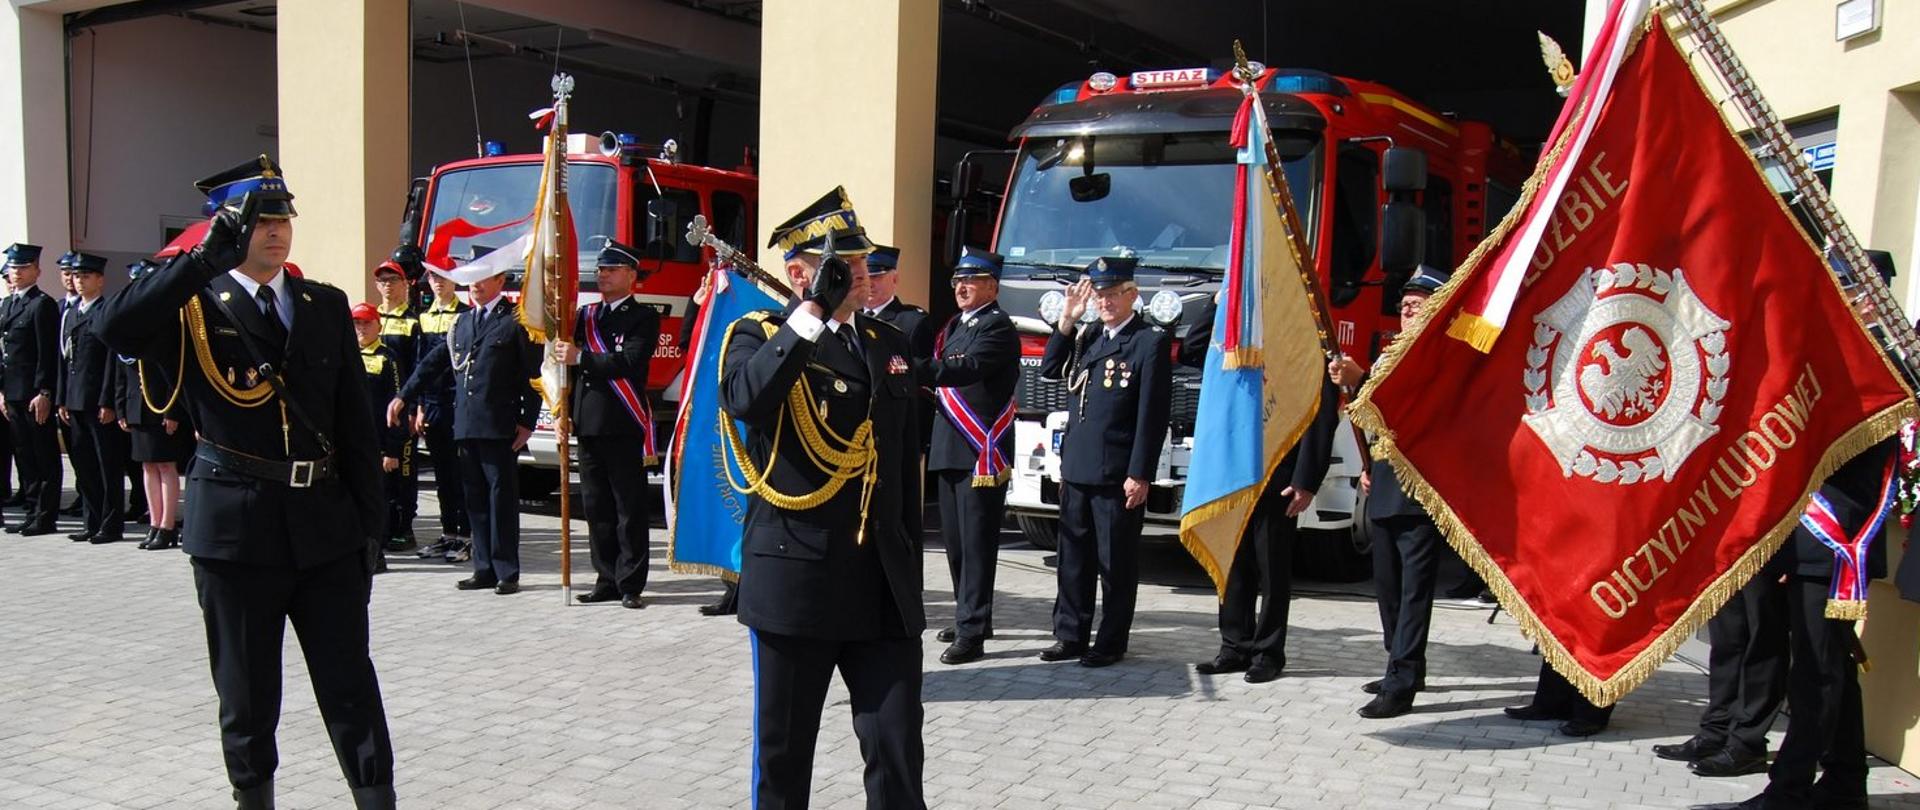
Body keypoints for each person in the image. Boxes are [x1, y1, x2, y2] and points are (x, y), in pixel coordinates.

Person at [96, 155, 394, 808]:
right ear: (223, 228)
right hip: (235, 533)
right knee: (248, 694)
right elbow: (111, 328)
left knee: (350, 686)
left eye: (282, 216)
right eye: (257, 220)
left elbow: (355, 429)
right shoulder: (193, 305)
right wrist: (199, 262)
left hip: (325, 528)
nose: (274, 230)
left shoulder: (324, 304)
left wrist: (371, 529)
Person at [718, 187, 926, 809]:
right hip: (797, 578)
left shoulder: (889, 343)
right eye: (844, 263)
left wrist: (910, 563)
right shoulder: (759, 334)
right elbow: (747, 400)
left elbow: (901, 465)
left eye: (863, 262)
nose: (860, 273)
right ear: (801, 271)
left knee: (897, 750)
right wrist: (808, 315)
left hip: (879, 583)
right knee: (784, 758)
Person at [1719, 439, 1897, 810]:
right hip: (1810, 542)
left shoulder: (1870, 390)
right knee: (1836, 673)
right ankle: (1845, 781)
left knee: (1816, 675)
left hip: (1835, 540)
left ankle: (1787, 791)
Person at [1184, 293, 1339, 685]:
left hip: (1279, 475)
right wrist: (1217, 305)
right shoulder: (1238, 340)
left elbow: (1321, 419)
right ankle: (1234, 645)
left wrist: (1306, 480)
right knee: (1234, 564)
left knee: (1272, 569)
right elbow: (1191, 351)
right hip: (1234, 472)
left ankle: (1268, 652)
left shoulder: (1304, 348)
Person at [1036, 257, 1172, 668]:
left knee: (1115, 563)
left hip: (1116, 471)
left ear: (1133, 295)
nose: (1106, 302)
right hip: (1078, 467)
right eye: (1101, 294)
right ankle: (1070, 634)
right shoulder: (1089, 335)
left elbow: (1152, 414)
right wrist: (1067, 321)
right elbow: (1049, 370)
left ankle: (1111, 641)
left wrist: (1140, 473)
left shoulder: (1149, 341)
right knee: (1072, 559)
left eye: (1114, 293)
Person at [1329, 266, 1448, 716]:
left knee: (1415, 591)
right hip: (1383, 485)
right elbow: (1372, 420)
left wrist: (1361, 380)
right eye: (1404, 306)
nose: (1408, 311)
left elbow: (1405, 411)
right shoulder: (1391, 354)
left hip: (1418, 492)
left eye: (1418, 305)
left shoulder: (1437, 356)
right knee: (1389, 588)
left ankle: (1402, 682)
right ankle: (1400, 664)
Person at [390, 258, 541, 595]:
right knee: (473, 499)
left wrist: (528, 422)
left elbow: (533, 375)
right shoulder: (461, 322)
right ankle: (483, 567)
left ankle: (506, 571)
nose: (475, 284)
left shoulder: (516, 321)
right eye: (471, 278)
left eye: (483, 278)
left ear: (501, 280)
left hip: (499, 424)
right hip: (467, 423)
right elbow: (432, 364)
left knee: (499, 498)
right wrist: (403, 395)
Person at [922, 246, 1018, 665]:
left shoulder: (997, 327)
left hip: (980, 450)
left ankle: (973, 631)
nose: (961, 287)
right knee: (957, 544)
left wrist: (915, 368)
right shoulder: (957, 325)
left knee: (978, 544)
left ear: (991, 286)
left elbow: (967, 368)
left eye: (971, 280)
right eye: (958, 281)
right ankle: (970, 613)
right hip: (950, 446)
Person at [550, 241, 660, 609]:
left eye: (612, 270)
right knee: (596, 507)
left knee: (628, 508)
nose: (603, 275)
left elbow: (629, 361)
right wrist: (562, 412)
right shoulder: (585, 316)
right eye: (600, 269)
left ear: (631, 276)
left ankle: (631, 582)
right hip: (588, 421)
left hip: (622, 421)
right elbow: (567, 372)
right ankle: (606, 577)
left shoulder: (642, 317)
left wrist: (582, 356)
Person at [1651, 576, 1787, 777]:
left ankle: (1746, 744)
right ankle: (1716, 732)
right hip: (1732, 551)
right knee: (1727, 640)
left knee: (1762, 644)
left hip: (1771, 555)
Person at [115, 259, 191, 551]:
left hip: (161, 407)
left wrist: (173, 410)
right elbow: (121, 373)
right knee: (148, 467)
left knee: (166, 466)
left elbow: (175, 373)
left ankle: (168, 525)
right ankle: (155, 522)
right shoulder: (130, 326)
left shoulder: (167, 324)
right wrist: (122, 407)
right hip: (138, 407)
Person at [56, 252, 128, 544]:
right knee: (84, 465)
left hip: (98, 401)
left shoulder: (106, 311)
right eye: (75, 276)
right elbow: (64, 360)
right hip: (75, 399)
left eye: (85, 276)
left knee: (106, 464)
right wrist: (62, 398)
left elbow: (112, 363)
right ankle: (91, 519)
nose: (79, 281)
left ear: (100, 279)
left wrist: (108, 401)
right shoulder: (72, 312)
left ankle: (110, 525)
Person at [410, 267, 472, 563]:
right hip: (432, 403)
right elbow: (421, 363)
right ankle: (448, 532)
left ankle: (466, 536)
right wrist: (419, 405)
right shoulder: (424, 315)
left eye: (443, 277)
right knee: (442, 473)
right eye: (433, 278)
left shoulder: (465, 313)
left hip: (457, 401)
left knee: (462, 473)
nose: (437, 283)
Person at [1, 242, 62, 536]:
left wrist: (45, 392)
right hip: (12, 392)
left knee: (43, 454)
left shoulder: (42, 304)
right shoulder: (8, 304)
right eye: (13, 268)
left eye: (23, 268)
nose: (16, 273)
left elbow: (46, 353)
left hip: (33, 392)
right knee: (24, 455)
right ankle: (32, 508)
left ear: (37, 271)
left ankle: (46, 515)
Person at [353, 303, 407, 573]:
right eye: (357, 324)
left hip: (379, 443)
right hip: (354, 442)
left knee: (379, 498)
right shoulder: (348, 355)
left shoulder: (389, 358)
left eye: (366, 323)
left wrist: (392, 449)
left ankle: (378, 552)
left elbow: (397, 406)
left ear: (379, 326)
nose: (361, 329)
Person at [372, 254, 421, 551]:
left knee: (404, 468)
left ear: (406, 284)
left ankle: (405, 526)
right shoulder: (370, 319)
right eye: (382, 280)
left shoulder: (412, 322)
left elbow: (418, 368)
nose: (388, 286)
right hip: (376, 410)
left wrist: (415, 408)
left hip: (403, 410)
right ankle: (384, 526)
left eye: (393, 280)